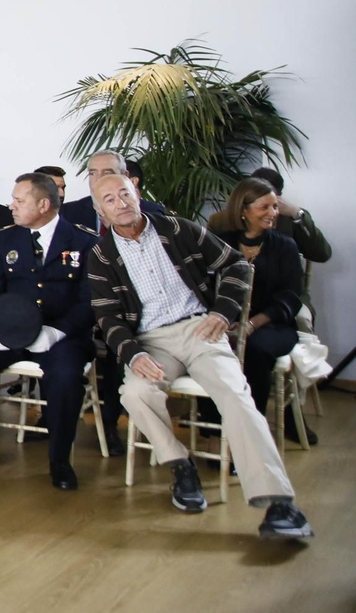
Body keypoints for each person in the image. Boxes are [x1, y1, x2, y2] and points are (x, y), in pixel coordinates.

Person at [86, 174, 311, 539]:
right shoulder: (100, 256)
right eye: (109, 199)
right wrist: (132, 354)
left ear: (137, 194)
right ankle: (180, 465)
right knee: (135, 393)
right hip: (151, 341)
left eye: (124, 194)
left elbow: (236, 265)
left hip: (200, 329)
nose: (120, 203)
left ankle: (279, 502)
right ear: (100, 210)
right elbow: (107, 316)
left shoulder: (177, 229)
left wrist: (222, 311)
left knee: (236, 395)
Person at [0, 173, 100, 489]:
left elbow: (91, 301)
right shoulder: (6, 239)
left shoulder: (84, 242)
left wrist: (58, 331)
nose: (11, 205)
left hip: (62, 336)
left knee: (65, 376)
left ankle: (60, 462)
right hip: (11, 331)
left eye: (19, 200)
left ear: (43, 205)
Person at [209, 178, 312, 443]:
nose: (273, 213)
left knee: (254, 350)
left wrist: (252, 324)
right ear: (243, 210)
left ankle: (250, 433)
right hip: (229, 322)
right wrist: (224, 320)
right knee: (209, 347)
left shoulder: (285, 246)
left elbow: (291, 298)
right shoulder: (220, 243)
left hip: (273, 325)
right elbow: (207, 288)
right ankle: (217, 427)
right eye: (264, 207)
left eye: (275, 207)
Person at [235, 166, 331, 300]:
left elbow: (322, 254)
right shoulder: (233, 217)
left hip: (285, 295)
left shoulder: (292, 219)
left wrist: (296, 214)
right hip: (238, 292)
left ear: (277, 197)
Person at [58, 151, 165, 233]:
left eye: (107, 173)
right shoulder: (68, 212)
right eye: (93, 173)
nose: (99, 179)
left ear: (125, 176)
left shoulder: (152, 212)